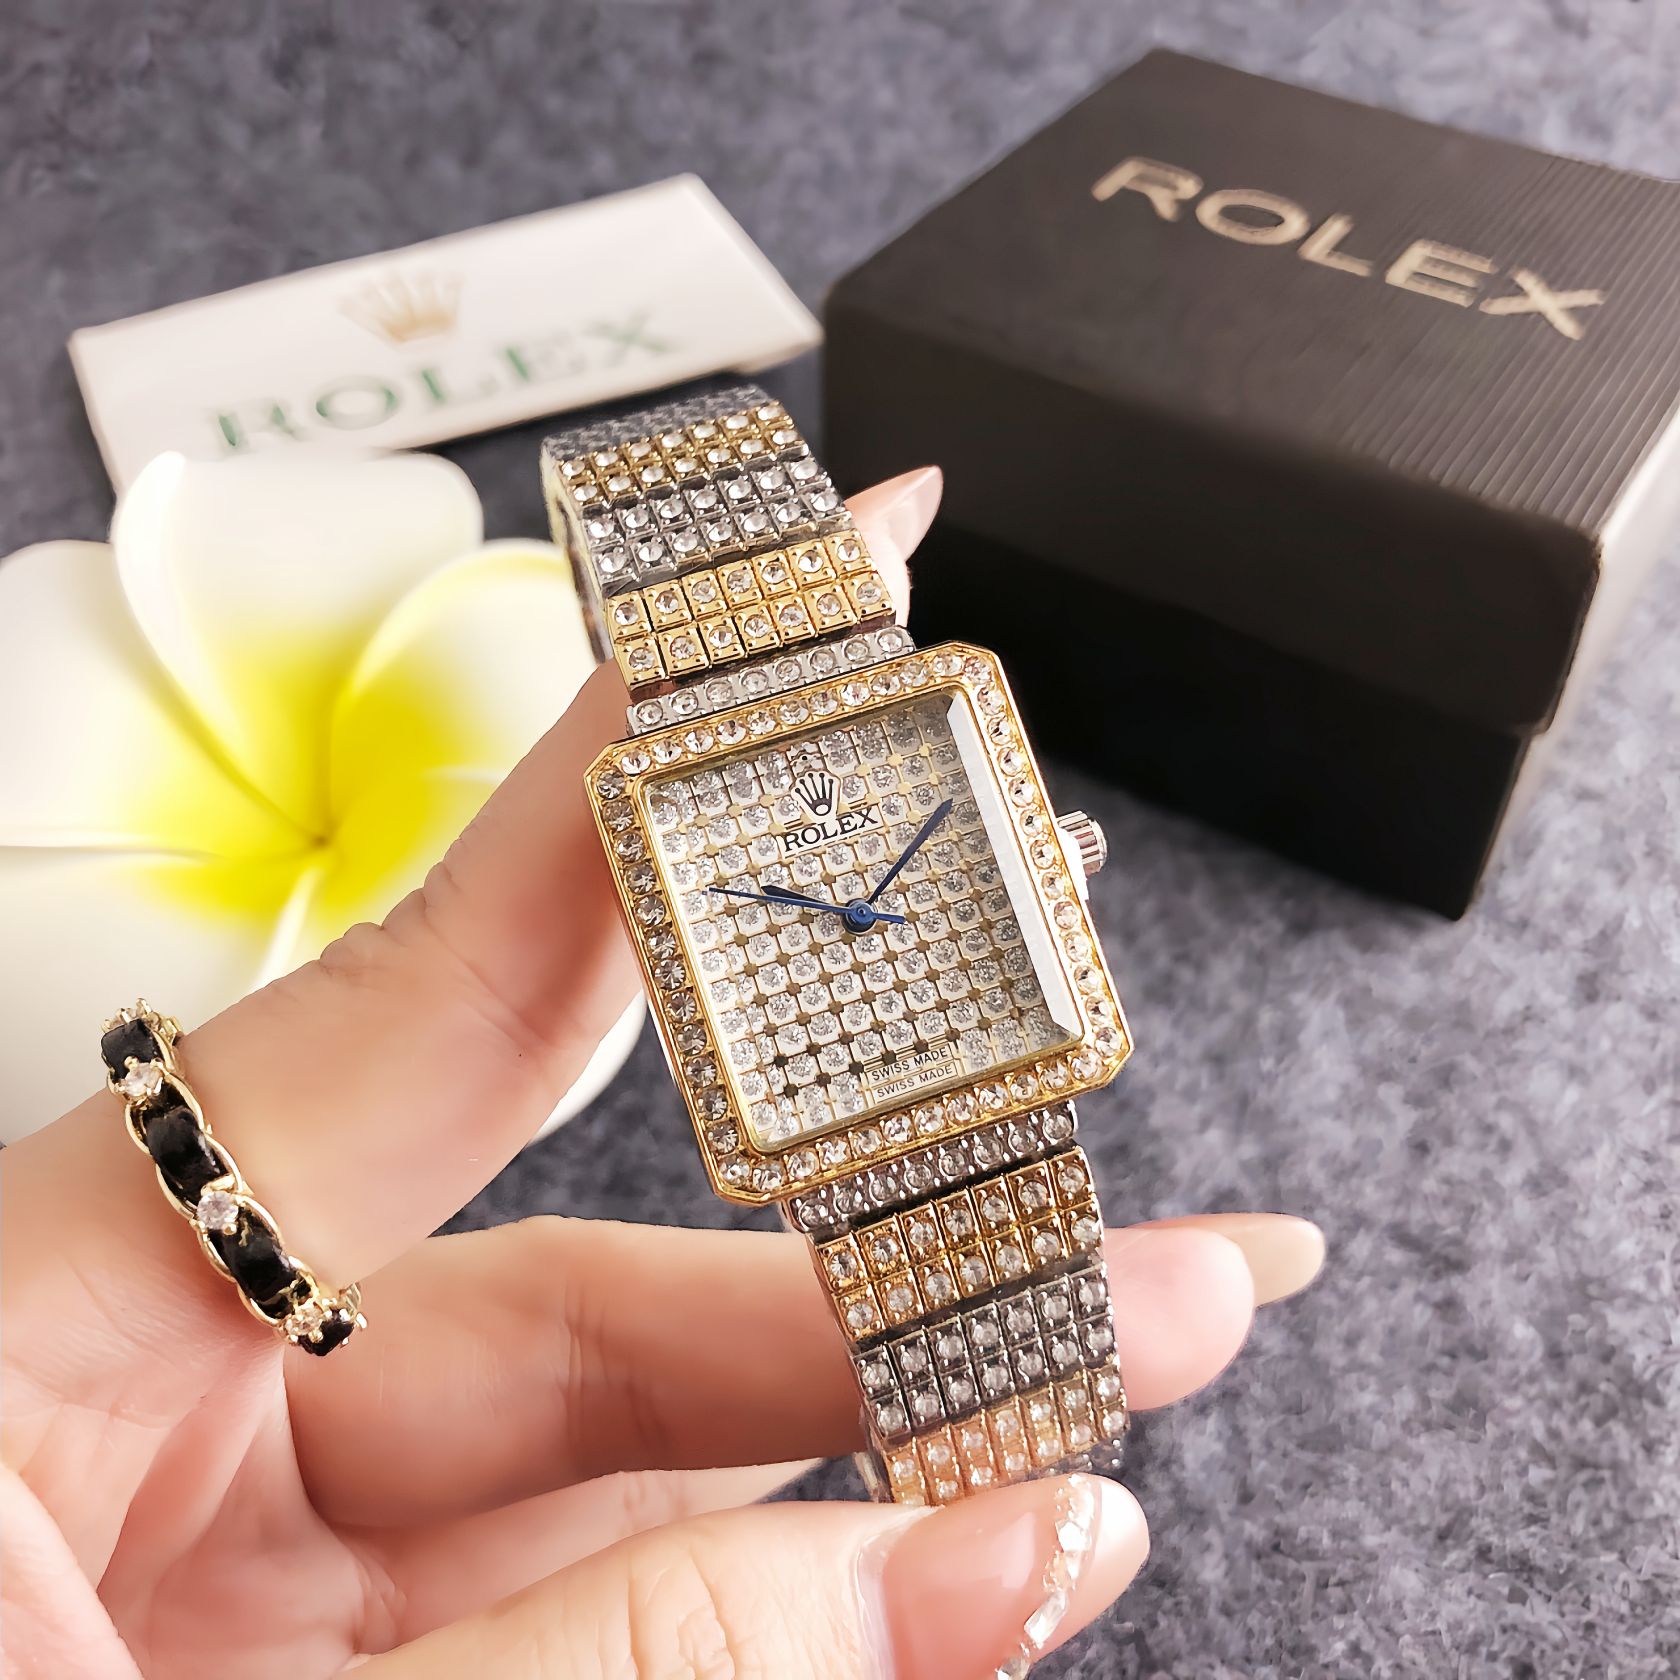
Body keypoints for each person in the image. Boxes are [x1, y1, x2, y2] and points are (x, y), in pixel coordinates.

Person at [0, 469, 1324, 1679]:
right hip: (845, 1118)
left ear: (1052, 847)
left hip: (970, 1094)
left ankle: (1008, 1474)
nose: (858, 921)